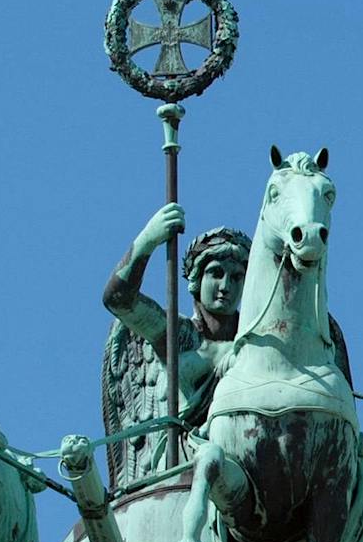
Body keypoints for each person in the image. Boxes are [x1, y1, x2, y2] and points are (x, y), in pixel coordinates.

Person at [100, 203, 253, 487]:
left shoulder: (256, 340)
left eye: (236, 277)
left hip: (244, 462)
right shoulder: (176, 335)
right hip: (184, 462)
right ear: (196, 280)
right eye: (216, 273)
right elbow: (118, 299)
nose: (225, 286)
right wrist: (149, 239)